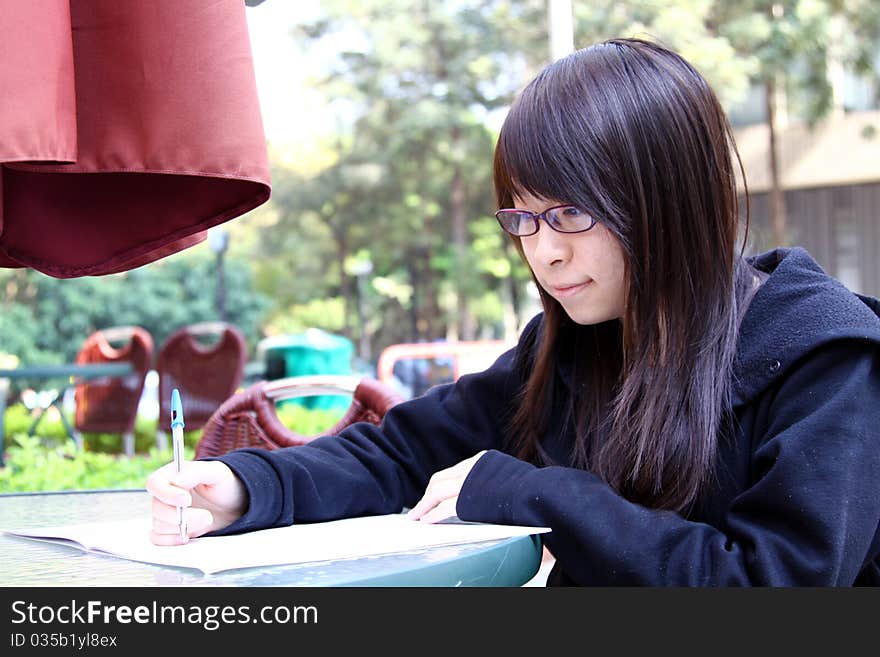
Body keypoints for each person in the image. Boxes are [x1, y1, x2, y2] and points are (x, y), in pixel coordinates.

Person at [146, 37, 880, 586]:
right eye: (523, 219)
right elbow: (406, 449)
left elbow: (773, 584)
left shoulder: (826, 360)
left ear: (667, 202)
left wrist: (535, 489)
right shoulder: (573, 345)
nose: (544, 253)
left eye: (569, 214)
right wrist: (247, 487)